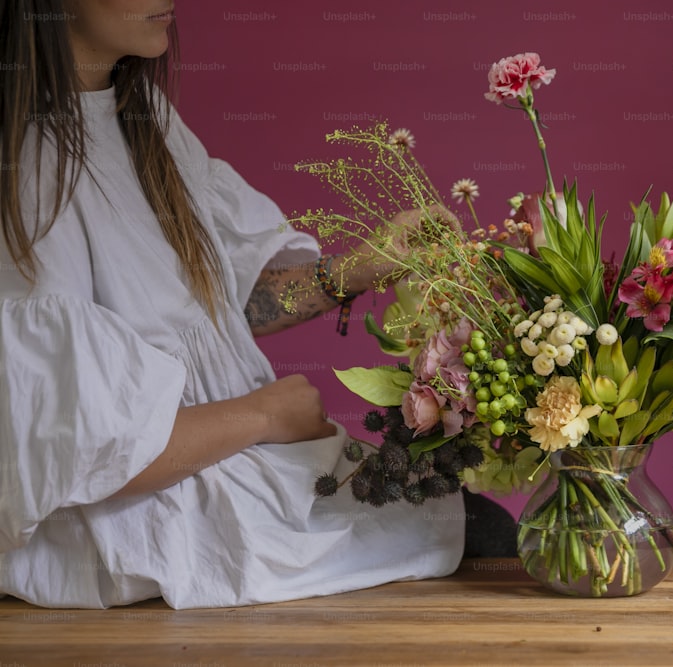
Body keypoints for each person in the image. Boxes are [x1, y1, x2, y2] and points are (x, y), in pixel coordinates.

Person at [0, 1, 469, 608]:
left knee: (458, 518)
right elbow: (79, 453)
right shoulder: (31, 173)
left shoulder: (142, 117)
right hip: (137, 526)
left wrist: (369, 262)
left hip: (231, 473)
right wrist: (263, 416)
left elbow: (230, 304)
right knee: (462, 536)